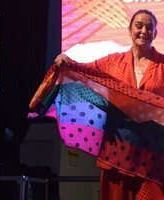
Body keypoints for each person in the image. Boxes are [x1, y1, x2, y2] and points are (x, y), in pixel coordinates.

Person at [54, 9, 164, 200]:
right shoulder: (113, 63)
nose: (144, 31)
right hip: (117, 149)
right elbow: (87, 72)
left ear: (155, 34)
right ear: (130, 31)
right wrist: (68, 62)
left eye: (149, 27)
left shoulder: (163, 65)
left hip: (152, 154)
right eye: (139, 25)